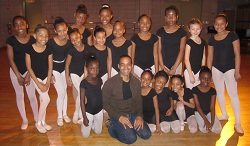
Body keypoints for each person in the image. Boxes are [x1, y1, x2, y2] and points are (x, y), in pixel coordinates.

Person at [207, 13, 244, 134]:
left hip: (230, 68)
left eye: (222, 23)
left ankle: (238, 122)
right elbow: (210, 56)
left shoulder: (232, 35)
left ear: (226, 24)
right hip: (216, 68)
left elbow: (237, 54)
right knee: (219, 92)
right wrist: (208, 73)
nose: (219, 26)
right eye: (217, 24)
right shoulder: (212, 39)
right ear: (214, 25)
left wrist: (237, 71)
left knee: (233, 94)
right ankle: (224, 114)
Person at [102, 55, 151, 144]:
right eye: (122, 65)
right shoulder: (110, 83)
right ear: (118, 66)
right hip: (117, 115)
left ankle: (130, 127)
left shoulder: (136, 82)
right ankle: (111, 126)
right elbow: (105, 103)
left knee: (146, 134)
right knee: (131, 139)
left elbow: (138, 101)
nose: (126, 67)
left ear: (132, 65)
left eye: (128, 64)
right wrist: (119, 117)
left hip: (132, 113)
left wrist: (139, 115)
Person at [6, 15, 38, 130]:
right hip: (15, 72)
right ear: (14, 27)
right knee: (20, 96)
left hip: (30, 71)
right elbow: (10, 59)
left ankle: (37, 118)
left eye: (21, 24)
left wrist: (29, 75)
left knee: (32, 96)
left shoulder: (33, 40)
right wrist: (18, 75)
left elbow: (34, 58)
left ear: (27, 25)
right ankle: (24, 120)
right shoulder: (11, 40)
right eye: (16, 25)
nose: (19, 27)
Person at [25, 24, 53, 133]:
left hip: (46, 77)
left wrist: (48, 80)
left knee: (43, 100)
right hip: (36, 78)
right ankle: (38, 122)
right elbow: (29, 67)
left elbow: (50, 66)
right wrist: (38, 83)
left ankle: (43, 122)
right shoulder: (30, 49)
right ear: (35, 36)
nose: (44, 38)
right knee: (47, 99)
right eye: (41, 35)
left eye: (46, 36)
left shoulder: (48, 49)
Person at [47, 17, 71, 126]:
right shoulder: (51, 43)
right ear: (55, 31)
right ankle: (59, 116)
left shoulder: (69, 42)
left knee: (64, 92)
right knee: (61, 92)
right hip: (54, 69)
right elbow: (47, 59)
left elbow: (69, 59)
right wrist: (50, 74)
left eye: (64, 30)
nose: (62, 33)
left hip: (64, 69)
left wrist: (68, 73)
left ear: (67, 29)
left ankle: (65, 114)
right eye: (59, 31)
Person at [65, 28, 91, 124]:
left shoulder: (88, 48)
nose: (75, 41)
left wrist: (87, 74)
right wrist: (67, 77)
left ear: (81, 37)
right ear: (70, 41)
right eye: (72, 40)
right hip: (74, 73)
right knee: (81, 93)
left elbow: (89, 62)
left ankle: (80, 113)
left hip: (84, 73)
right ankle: (78, 113)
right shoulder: (71, 50)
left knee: (83, 93)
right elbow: (67, 65)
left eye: (77, 38)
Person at [156, 5, 187, 77]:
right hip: (163, 64)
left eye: (173, 15)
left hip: (176, 65)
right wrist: (163, 67)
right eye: (168, 15)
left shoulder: (182, 33)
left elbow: (181, 51)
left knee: (176, 87)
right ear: (165, 17)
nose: (171, 18)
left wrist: (174, 68)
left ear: (177, 17)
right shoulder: (160, 32)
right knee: (162, 87)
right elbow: (159, 50)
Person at [192, 66, 222, 134]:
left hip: (209, 112)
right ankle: (198, 120)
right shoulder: (194, 90)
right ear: (199, 78)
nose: (206, 81)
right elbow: (198, 106)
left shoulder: (213, 91)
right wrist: (206, 120)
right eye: (204, 78)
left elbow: (212, 108)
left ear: (211, 79)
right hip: (199, 112)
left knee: (217, 130)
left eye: (208, 79)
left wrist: (212, 122)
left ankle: (209, 122)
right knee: (204, 130)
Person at [80, 53, 103, 138]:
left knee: (98, 132)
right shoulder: (84, 83)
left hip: (99, 110)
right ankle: (85, 122)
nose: (95, 71)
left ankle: (93, 122)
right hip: (88, 111)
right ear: (87, 69)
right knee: (85, 136)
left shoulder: (100, 80)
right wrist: (85, 117)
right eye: (92, 69)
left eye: (97, 69)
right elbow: (82, 101)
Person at [184, 18, 206, 89]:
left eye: (197, 29)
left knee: (198, 90)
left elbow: (203, 56)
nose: (195, 31)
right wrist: (190, 75)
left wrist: (202, 71)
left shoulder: (203, 42)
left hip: (199, 70)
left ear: (201, 29)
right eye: (193, 29)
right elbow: (186, 59)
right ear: (189, 30)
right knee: (190, 91)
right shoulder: (189, 42)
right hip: (189, 70)